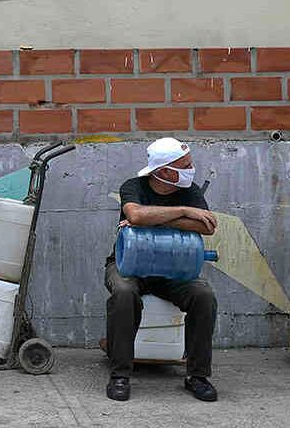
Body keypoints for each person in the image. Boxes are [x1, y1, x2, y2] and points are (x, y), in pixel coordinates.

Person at [104, 137, 219, 403]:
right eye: (185, 165)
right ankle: (120, 375)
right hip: (127, 265)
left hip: (174, 271)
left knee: (204, 295)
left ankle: (197, 376)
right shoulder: (133, 186)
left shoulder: (190, 189)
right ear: (165, 170)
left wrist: (154, 219)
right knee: (123, 293)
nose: (191, 169)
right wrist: (183, 211)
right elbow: (135, 215)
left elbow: (206, 226)